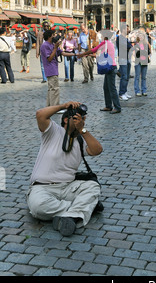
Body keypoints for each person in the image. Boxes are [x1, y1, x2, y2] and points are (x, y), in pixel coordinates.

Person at [27, 101, 103, 236]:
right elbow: (40, 114)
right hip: (43, 187)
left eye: (83, 119)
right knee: (38, 208)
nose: (82, 121)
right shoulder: (53, 131)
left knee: (93, 186)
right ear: (67, 120)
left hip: (68, 187)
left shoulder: (80, 139)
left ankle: (70, 215)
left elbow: (97, 150)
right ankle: (79, 210)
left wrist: (82, 130)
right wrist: (63, 106)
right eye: (78, 119)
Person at [78, 31, 121, 114]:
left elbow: (94, 50)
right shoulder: (108, 44)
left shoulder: (105, 43)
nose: (100, 36)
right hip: (110, 67)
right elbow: (99, 55)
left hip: (111, 67)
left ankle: (117, 107)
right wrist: (87, 55)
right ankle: (108, 106)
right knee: (106, 88)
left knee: (112, 88)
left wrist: (82, 54)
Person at [40, 29, 73, 108]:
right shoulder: (45, 45)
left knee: (51, 89)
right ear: (49, 36)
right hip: (50, 70)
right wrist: (55, 48)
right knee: (55, 89)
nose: (55, 36)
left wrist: (74, 54)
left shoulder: (52, 44)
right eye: (53, 35)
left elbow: (62, 53)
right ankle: (55, 107)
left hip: (54, 69)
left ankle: (49, 106)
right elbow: (49, 58)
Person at [116, 23, 132, 101]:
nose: (128, 30)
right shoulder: (120, 38)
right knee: (124, 76)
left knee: (127, 76)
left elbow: (129, 46)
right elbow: (127, 46)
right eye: (127, 29)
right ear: (123, 30)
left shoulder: (125, 38)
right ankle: (121, 93)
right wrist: (129, 47)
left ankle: (124, 91)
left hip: (128, 58)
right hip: (123, 58)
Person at [133, 31, 151, 96]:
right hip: (138, 61)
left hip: (145, 61)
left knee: (144, 77)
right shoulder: (136, 44)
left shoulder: (146, 44)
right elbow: (137, 54)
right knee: (137, 76)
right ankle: (137, 91)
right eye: (139, 36)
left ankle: (144, 90)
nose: (141, 37)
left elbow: (148, 53)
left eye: (142, 36)